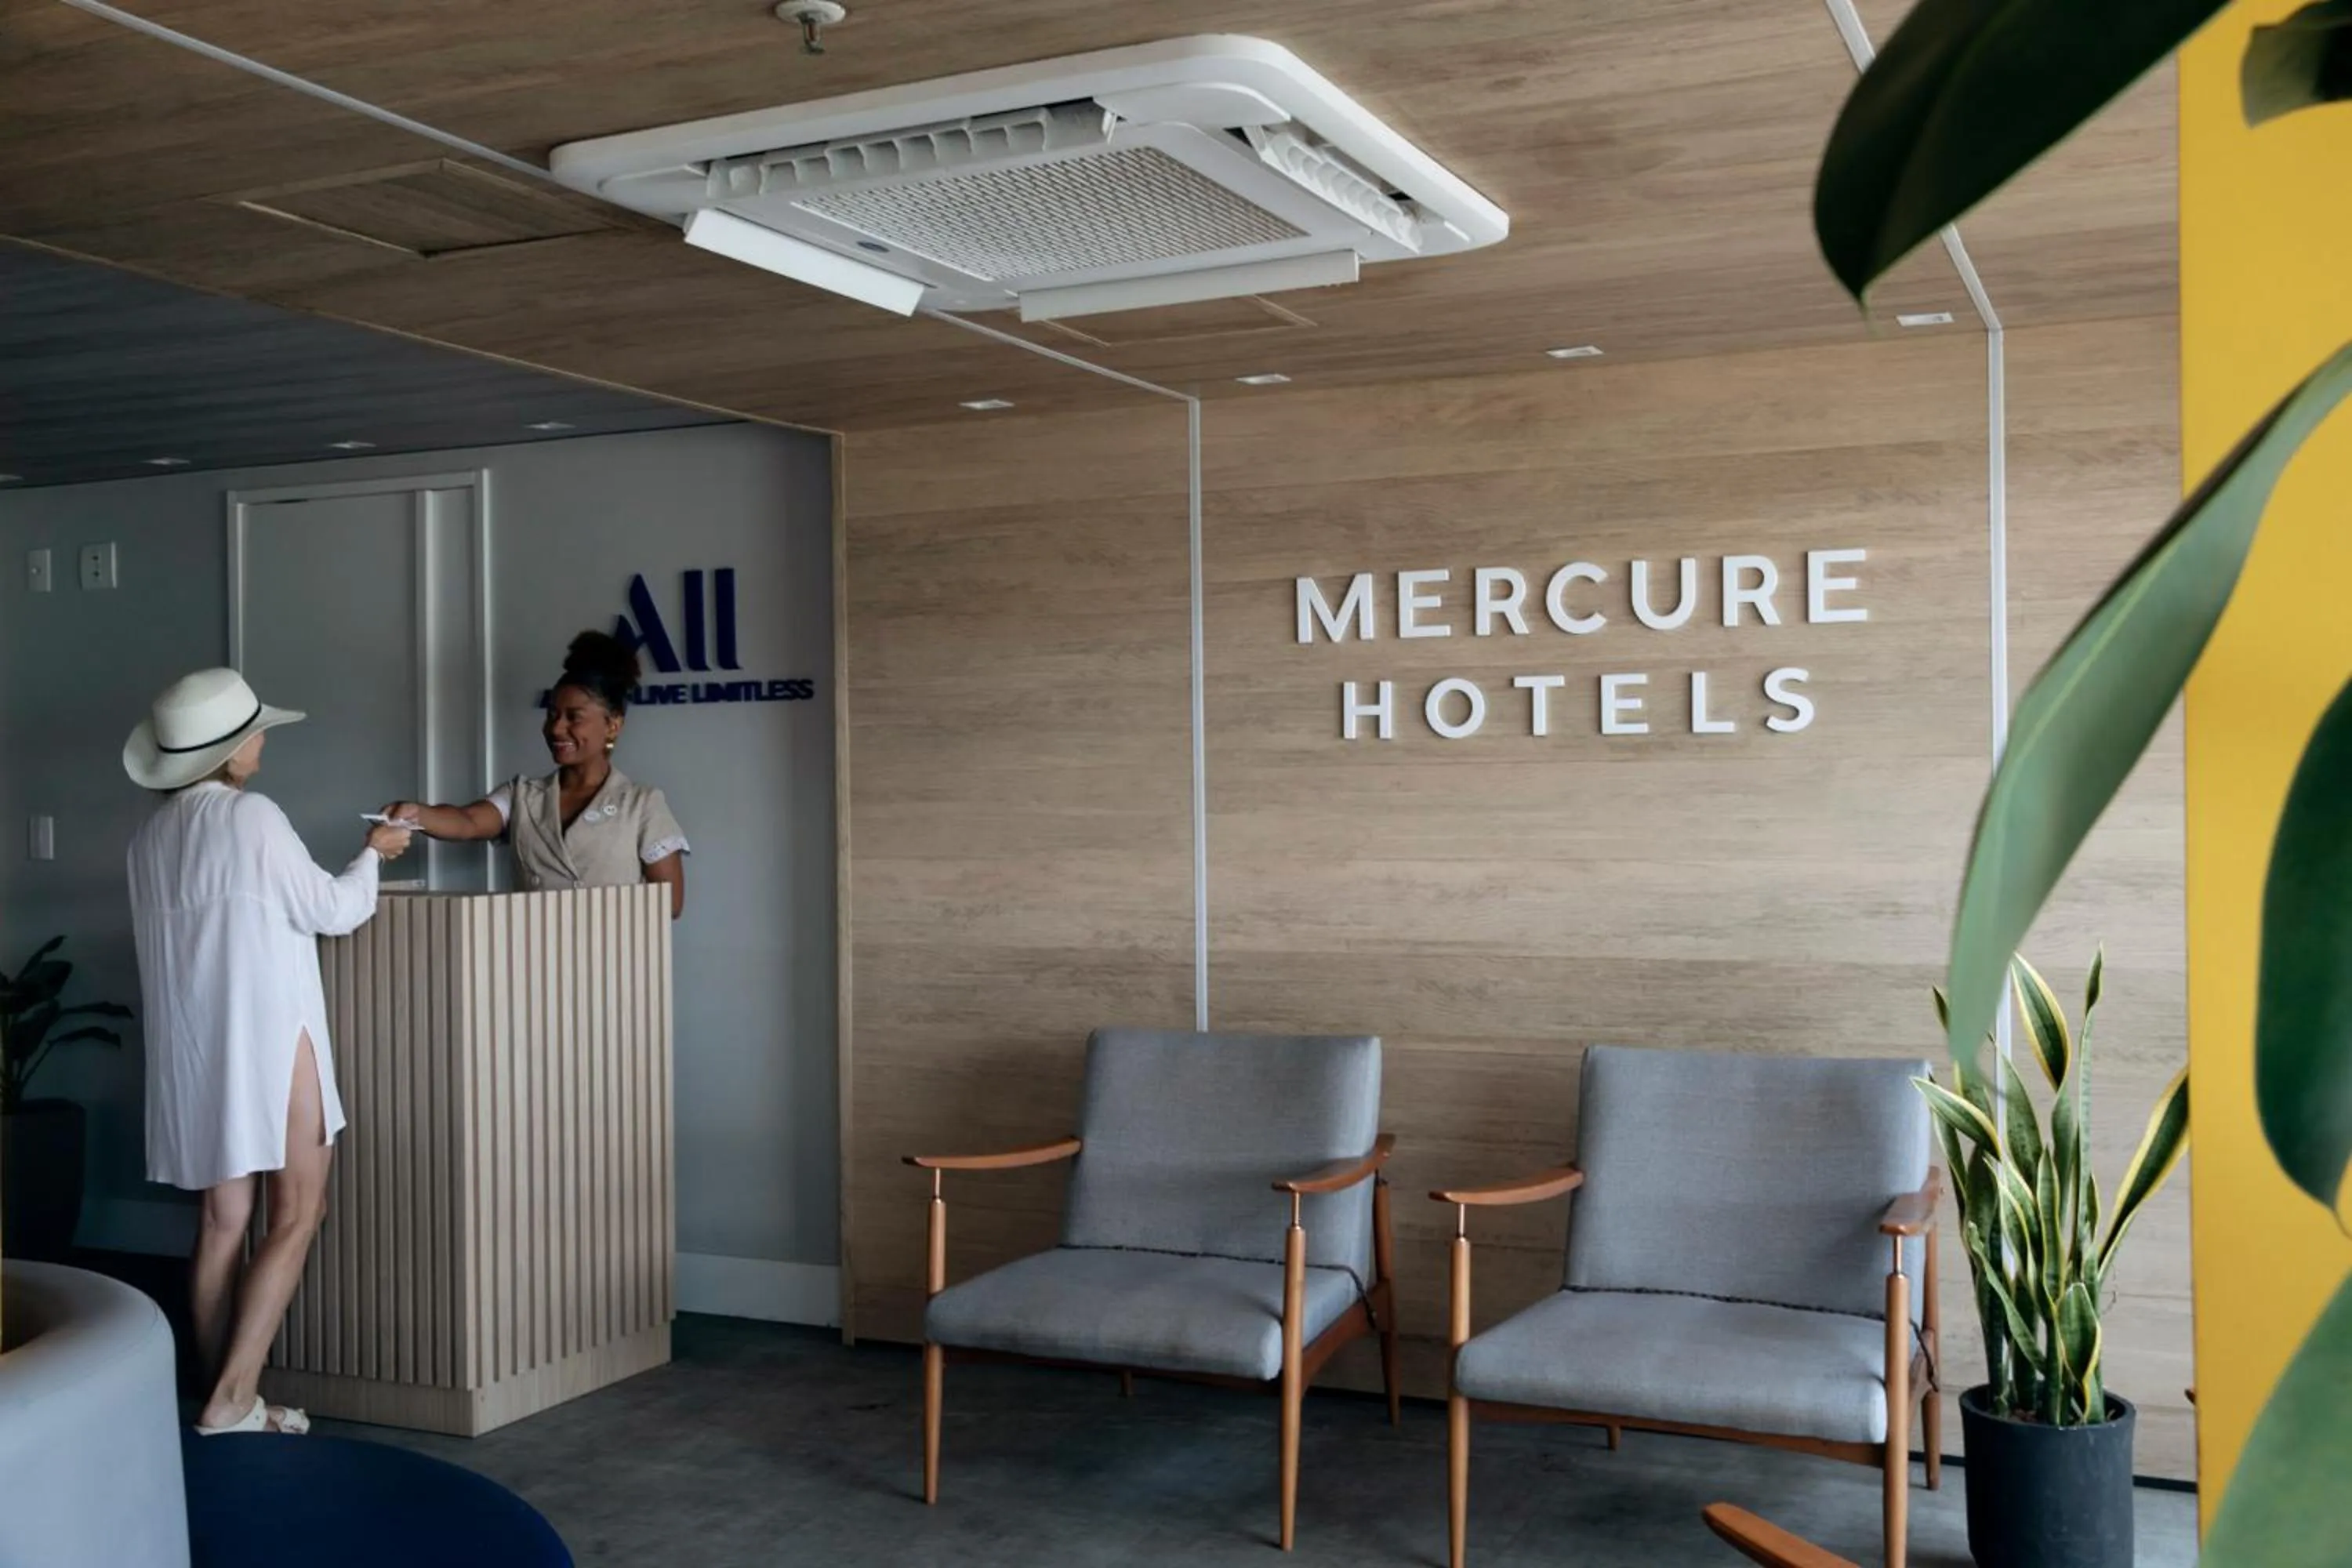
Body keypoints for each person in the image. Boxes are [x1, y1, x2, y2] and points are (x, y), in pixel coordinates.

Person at [123, 667, 412, 1436]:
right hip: (270, 1031)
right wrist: (376, 853)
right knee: (299, 1208)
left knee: (222, 1221)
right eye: (255, 731)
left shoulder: (150, 837)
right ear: (227, 749)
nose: (260, 741)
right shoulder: (251, 816)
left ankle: (233, 1397)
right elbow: (333, 910)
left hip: (191, 1046)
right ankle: (231, 1398)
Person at [386, 630, 688, 918]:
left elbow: (669, 904)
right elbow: (467, 822)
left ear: (613, 725)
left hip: (613, 963)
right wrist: (416, 814)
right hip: (536, 963)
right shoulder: (523, 795)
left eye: (574, 717)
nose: (556, 728)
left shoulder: (642, 804)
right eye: (552, 715)